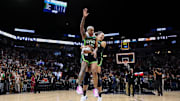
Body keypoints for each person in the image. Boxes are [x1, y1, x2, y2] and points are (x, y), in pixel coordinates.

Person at [77, 8, 99, 101]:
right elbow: (81, 27)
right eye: (91, 30)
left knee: (94, 71)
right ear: (88, 30)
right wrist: (83, 18)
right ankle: (79, 87)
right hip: (85, 56)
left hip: (92, 56)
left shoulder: (95, 38)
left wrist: (95, 51)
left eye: (93, 30)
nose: (92, 31)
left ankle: (95, 89)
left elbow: (97, 46)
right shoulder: (85, 36)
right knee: (83, 71)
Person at [95, 31, 106, 101]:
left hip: (98, 59)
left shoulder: (103, 42)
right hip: (91, 58)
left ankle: (99, 95)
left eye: (103, 36)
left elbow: (101, 45)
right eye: (101, 35)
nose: (102, 36)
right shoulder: (92, 41)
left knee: (98, 76)